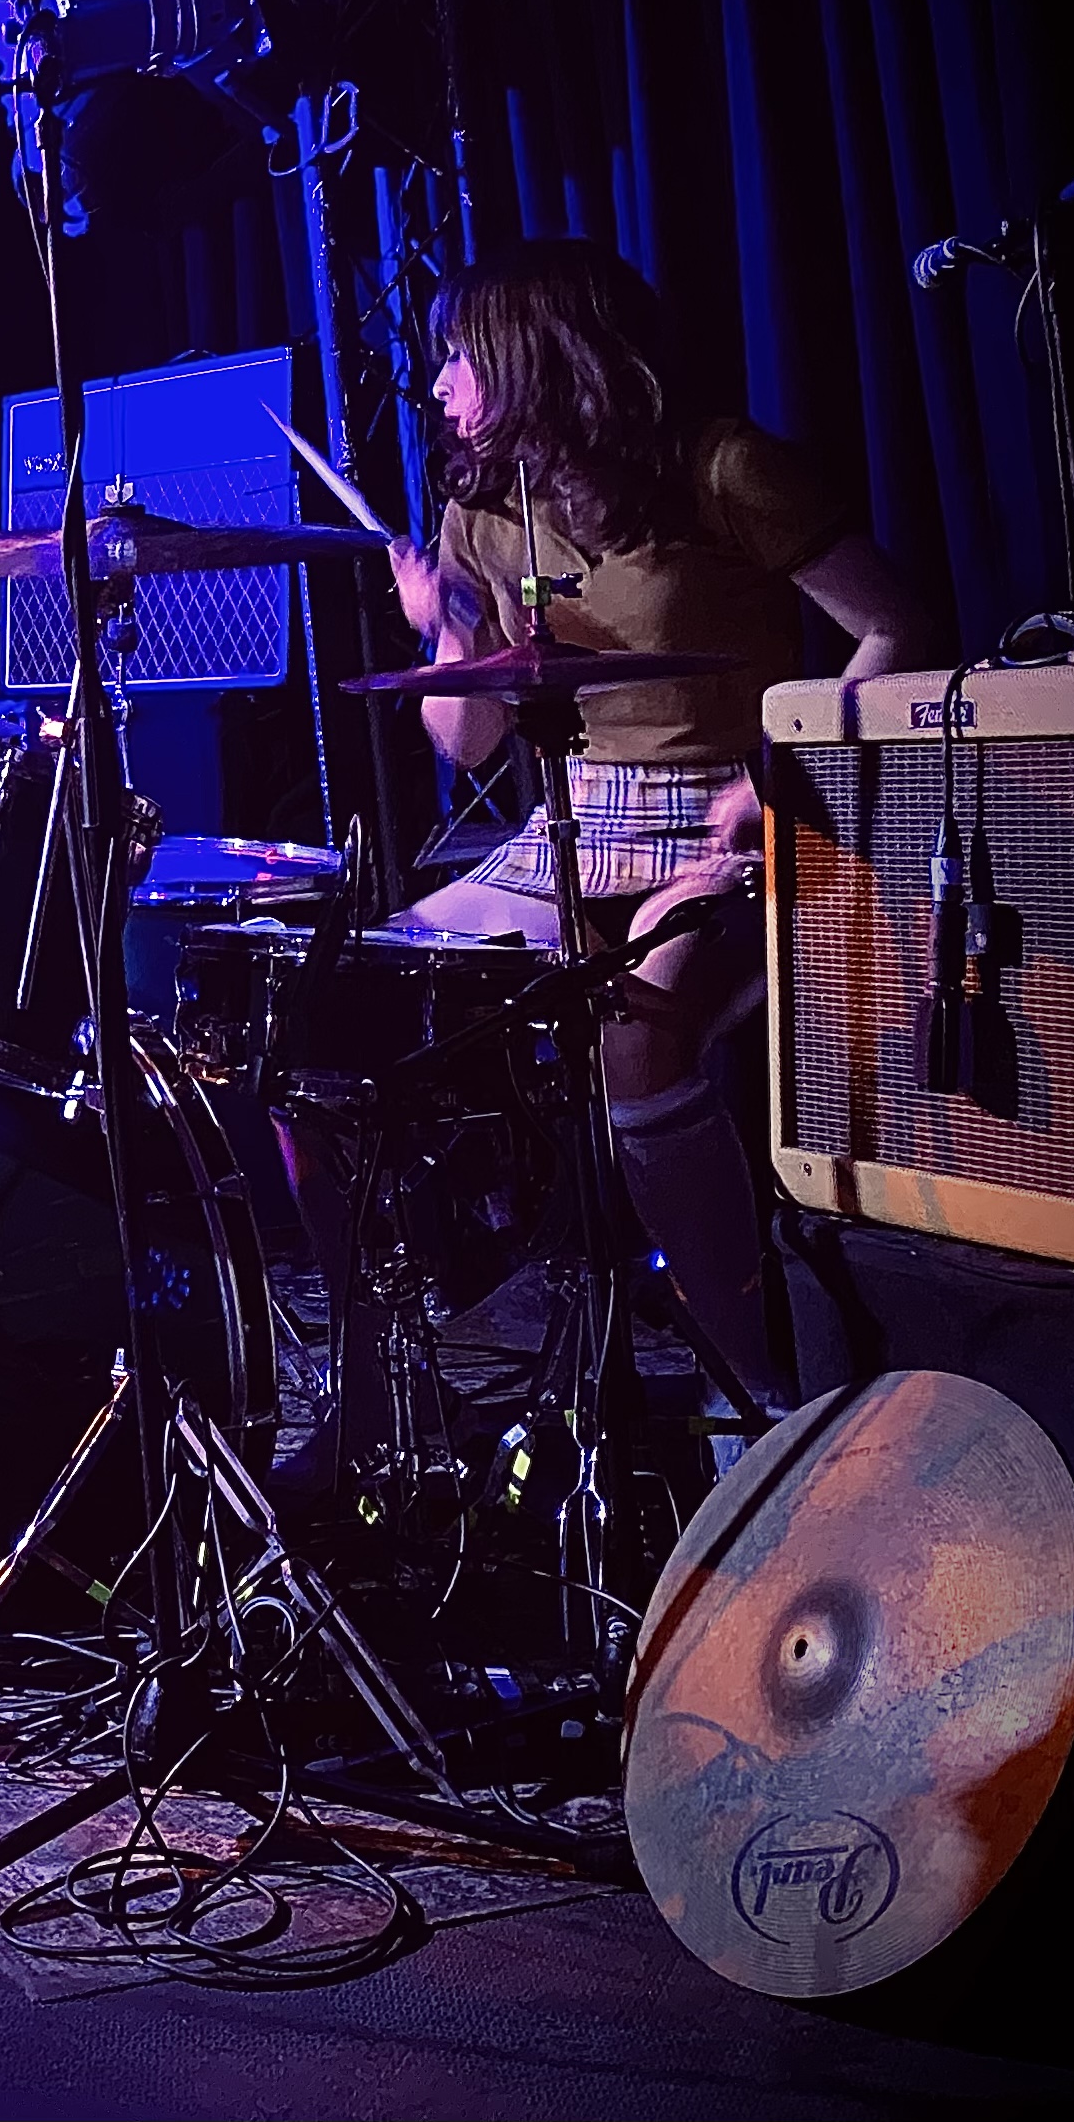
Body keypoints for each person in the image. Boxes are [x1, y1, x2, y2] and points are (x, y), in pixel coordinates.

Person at [364, 238, 933, 1409]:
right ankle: (389, 1385)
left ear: (533, 352)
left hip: (741, 815)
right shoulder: (483, 509)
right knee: (364, 992)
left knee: (639, 1029)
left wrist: (785, 770)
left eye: (457, 354)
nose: (439, 384)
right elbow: (467, 743)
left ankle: (759, 1382)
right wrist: (448, 627)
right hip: (575, 825)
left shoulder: (722, 468)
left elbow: (901, 625)